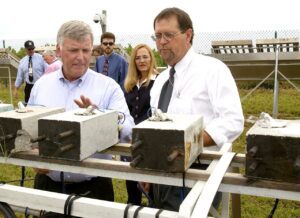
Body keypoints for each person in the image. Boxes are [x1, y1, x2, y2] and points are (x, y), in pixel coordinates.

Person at [28, 20, 134, 217]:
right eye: (73, 50)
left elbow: (129, 130)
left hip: (94, 189)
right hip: (48, 186)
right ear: (59, 50)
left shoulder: (108, 87)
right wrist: (32, 155)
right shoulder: (41, 86)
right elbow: (28, 131)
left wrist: (101, 117)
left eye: (86, 50)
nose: (81, 57)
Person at [150, 7, 244, 211]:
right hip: (161, 171)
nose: (162, 41)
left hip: (199, 170)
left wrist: (189, 144)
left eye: (168, 35)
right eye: (157, 36)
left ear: (188, 35)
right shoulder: (160, 80)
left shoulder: (213, 70)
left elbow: (232, 121)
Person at [123, 44, 158, 205]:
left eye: (145, 57)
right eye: (138, 58)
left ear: (151, 58)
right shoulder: (130, 84)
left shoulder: (158, 82)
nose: (142, 60)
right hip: (132, 138)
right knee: (132, 183)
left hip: (151, 139)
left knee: (152, 186)